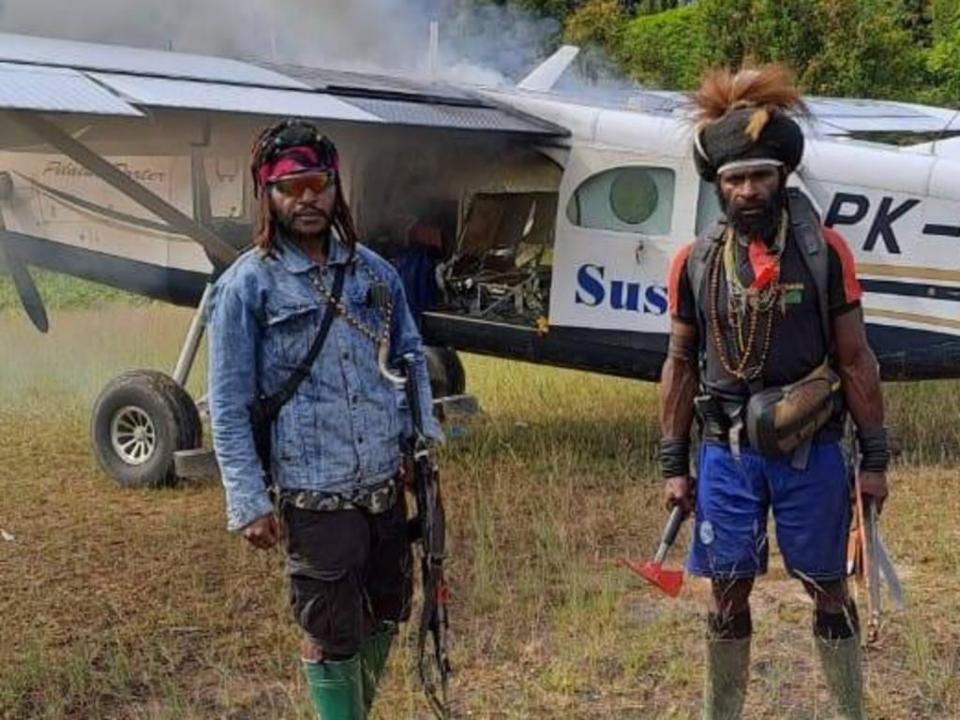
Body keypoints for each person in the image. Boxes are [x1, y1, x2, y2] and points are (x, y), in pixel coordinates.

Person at [659, 66, 889, 719]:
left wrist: (873, 461)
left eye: (761, 174)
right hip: (726, 455)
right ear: (719, 187)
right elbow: (678, 364)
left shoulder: (825, 253)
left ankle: (849, 710)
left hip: (811, 452)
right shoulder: (695, 263)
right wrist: (674, 466)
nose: (749, 189)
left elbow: (856, 359)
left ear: (781, 176)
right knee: (726, 592)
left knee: (829, 589)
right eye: (735, 179)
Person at [207, 118, 442, 719]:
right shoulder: (246, 287)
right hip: (314, 498)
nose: (307, 199)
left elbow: (411, 358)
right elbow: (229, 405)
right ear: (269, 195)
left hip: (384, 490)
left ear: (336, 188)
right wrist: (249, 500)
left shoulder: (373, 273)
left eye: (318, 184)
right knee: (332, 633)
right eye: (291, 188)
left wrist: (420, 447)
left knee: (390, 609)